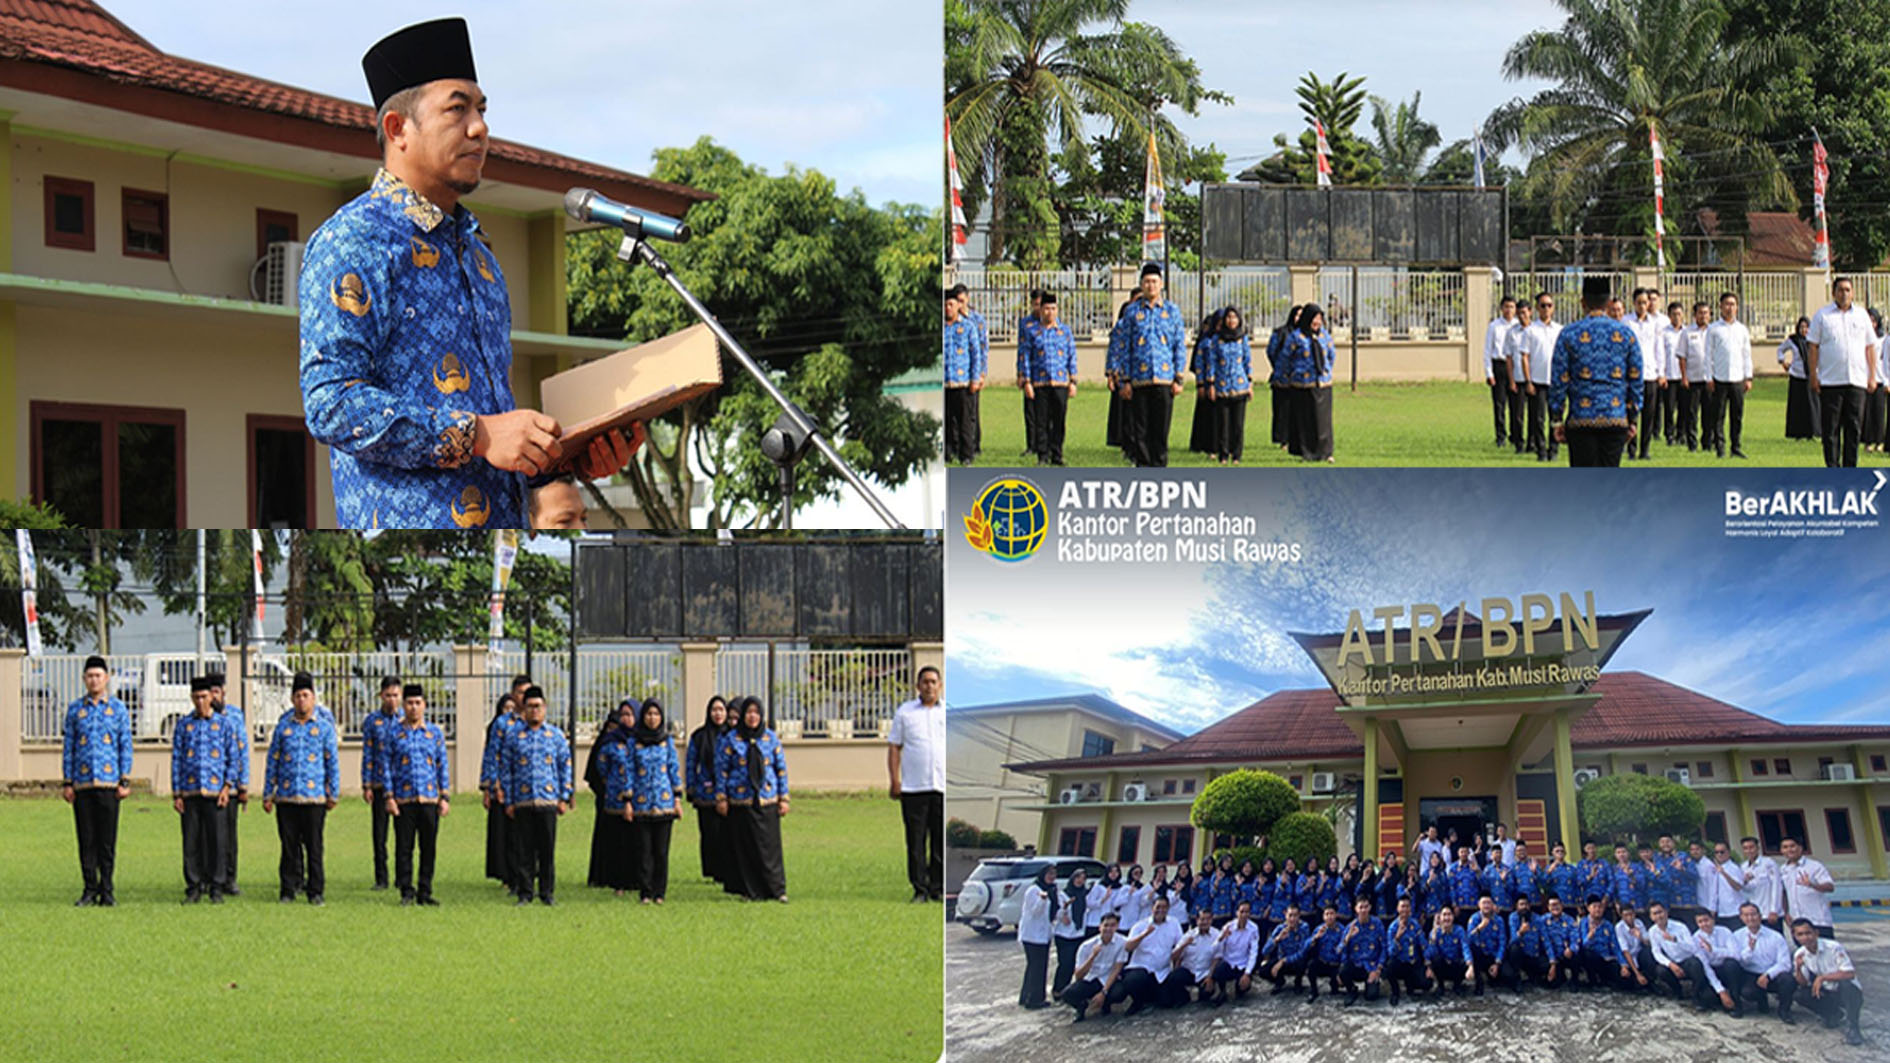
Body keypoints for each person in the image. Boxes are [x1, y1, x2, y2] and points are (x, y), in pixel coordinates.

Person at [299, 17, 634, 528]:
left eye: (482, 110)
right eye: (458, 109)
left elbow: (499, 436)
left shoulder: (480, 256)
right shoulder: (353, 241)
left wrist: (573, 459)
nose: (479, 127)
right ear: (398, 129)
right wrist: (475, 434)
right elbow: (330, 403)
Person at [261, 672, 340, 906]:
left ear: (314, 698)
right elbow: (272, 761)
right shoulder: (283, 728)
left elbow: (331, 762)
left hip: (314, 798)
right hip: (286, 797)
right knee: (288, 847)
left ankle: (315, 891)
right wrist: (268, 793)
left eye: (306, 695)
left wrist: (332, 792)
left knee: (314, 847)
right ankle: (288, 889)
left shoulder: (324, 728)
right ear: (292, 699)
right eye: (297, 696)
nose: (302, 700)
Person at [1548, 277, 1642, 466]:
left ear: (1583, 302)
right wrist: (1633, 417)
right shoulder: (1626, 335)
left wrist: (1557, 418)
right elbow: (1636, 377)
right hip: (1614, 418)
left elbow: (1559, 379)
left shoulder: (1569, 334)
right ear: (1609, 303)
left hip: (1581, 419)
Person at [62, 655, 131, 907]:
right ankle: (89, 888)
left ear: (107, 678)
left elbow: (125, 745)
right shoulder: (75, 710)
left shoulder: (118, 709)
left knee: (107, 840)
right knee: (86, 838)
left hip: (109, 783)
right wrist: (67, 782)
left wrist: (125, 779)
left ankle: (108, 889)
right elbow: (68, 747)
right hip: (82, 784)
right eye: (89, 676)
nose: (94, 680)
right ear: (84, 679)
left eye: (98, 676)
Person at [1106, 264, 1187, 467]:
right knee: (1140, 428)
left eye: (1154, 282)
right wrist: (1124, 380)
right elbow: (1124, 347)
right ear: (1141, 285)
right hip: (1138, 380)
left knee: (1160, 429)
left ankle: (1159, 467)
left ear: (1161, 284)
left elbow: (1179, 345)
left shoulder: (1172, 311)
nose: (1151, 286)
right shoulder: (1132, 312)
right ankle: (1143, 467)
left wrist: (1179, 377)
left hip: (1164, 378)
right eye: (1147, 282)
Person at [379, 682, 450, 906]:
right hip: (404, 799)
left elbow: (442, 765)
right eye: (409, 703)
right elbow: (386, 767)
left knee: (428, 847)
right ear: (404, 704)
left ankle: (425, 891)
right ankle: (406, 890)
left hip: (428, 797)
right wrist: (389, 796)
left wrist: (444, 796)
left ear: (424, 705)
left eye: (418, 703)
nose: (413, 708)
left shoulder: (434, 734)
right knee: (404, 847)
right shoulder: (393, 734)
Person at [502, 685, 572, 905]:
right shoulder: (514, 737)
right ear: (524, 708)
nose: (534, 711)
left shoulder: (556, 736)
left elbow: (565, 766)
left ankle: (547, 892)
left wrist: (564, 796)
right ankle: (525, 892)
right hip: (523, 801)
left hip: (548, 800)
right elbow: (507, 770)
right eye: (530, 707)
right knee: (524, 850)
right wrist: (509, 800)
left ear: (545, 708)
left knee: (547, 850)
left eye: (538, 706)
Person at [173, 677, 241, 903]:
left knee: (217, 841)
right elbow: (177, 760)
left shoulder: (224, 725)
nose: (201, 701)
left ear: (212, 697)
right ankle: (193, 886)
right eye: (197, 697)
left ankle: (217, 887)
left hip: (216, 793)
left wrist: (227, 786)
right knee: (191, 842)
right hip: (191, 792)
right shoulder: (184, 726)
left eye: (204, 697)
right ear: (192, 698)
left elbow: (234, 758)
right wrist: (177, 793)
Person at [716, 695, 789, 903]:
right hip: (741, 800)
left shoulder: (770, 738)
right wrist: (722, 798)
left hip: (767, 799)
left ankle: (776, 890)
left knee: (770, 848)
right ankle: (750, 890)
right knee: (745, 847)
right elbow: (722, 770)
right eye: (748, 712)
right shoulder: (732, 739)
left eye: (756, 712)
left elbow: (780, 769)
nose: (752, 716)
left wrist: (784, 798)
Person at [1807, 276, 1879, 466]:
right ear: (1833, 293)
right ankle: (1832, 469)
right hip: (1831, 382)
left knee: (1853, 428)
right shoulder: (1822, 316)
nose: (1844, 294)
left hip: (1856, 381)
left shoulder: (1862, 315)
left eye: (1848, 290)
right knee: (1830, 429)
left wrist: (1872, 376)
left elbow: (1870, 347)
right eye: (1840, 290)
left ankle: (1850, 470)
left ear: (1853, 293)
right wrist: (1813, 375)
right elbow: (1813, 346)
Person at [888, 665, 944, 903]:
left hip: (941, 787)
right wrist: (894, 780)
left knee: (940, 840)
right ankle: (919, 888)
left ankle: (937, 888)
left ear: (940, 685)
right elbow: (894, 747)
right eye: (925, 682)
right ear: (917, 686)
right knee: (916, 841)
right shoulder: (905, 712)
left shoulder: (947, 713)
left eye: (933, 681)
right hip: (913, 788)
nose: (929, 686)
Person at [622, 698, 683, 904]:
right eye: (648, 714)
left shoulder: (667, 741)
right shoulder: (633, 742)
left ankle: (660, 892)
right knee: (643, 850)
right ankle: (645, 892)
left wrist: (677, 800)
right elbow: (628, 771)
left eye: (656, 714)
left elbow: (674, 770)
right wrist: (628, 801)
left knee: (661, 851)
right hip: (641, 803)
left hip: (664, 802)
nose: (652, 718)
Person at [587, 700, 638, 894]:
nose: (627, 718)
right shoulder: (609, 741)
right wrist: (611, 786)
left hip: (639, 801)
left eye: (631, 714)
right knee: (615, 841)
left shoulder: (642, 740)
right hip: (612, 800)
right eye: (624, 714)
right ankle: (615, 880)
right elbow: (600, 768)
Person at [1020, 293, 1077, 465]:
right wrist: (1026, 381)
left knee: (1059, 420)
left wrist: (1073, 380)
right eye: (1046, 308)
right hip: (1040, 382)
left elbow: (1071, 356)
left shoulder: (1064, 331)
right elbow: (1025, 357)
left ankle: (1057, 454)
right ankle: (1043, 455)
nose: (1049, 312)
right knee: (1041, 421)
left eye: (1053, 309)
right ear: (1040, 309)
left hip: (1060, 381)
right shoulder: (1032, 332)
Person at [1790, 917, 1866, 1045]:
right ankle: (1833, 1014)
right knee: (1800, 995)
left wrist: (1823, 977)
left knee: (1846, 985)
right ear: (1795, 937)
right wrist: (1798, 968)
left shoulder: (1833, 947)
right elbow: (1803, 983)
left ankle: (1853, 1027)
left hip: (1846, 991)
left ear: (1816, 933)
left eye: (1808, 933)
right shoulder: (1799, 954)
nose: (1805, 938)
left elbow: (1850, 973)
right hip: (1827, 990)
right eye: (1800, 934)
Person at [207, 675, 250, 896]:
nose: (213, 696)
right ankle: (210, 877)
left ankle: (229, 879)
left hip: (230, 787)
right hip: (207, 787)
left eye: (217, 691)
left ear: (223, 692)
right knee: (209, 836)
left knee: (229, 836)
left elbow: (242, 750)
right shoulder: (199, 718)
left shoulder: (234, 716)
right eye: (210, 692)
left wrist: (243, 785)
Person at [360, 675, 402, 891]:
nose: (392, 700)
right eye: (388, 695)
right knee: (379, 833)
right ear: (380, 696)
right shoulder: (372, 721)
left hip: (403, 786)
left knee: (403, 834)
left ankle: (402, 876)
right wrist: (366, 785)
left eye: (395, 695)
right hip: (378, 785)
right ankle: (381, 877)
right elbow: (368, 753)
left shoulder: (406, 720)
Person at [686, 695, 733, 884]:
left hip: (729, 792)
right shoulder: (699, 736)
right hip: (705, 792)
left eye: (721, 710)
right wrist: (691, 787)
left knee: (727, 833)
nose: (718, 714)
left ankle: (727, 869)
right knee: (709, 833)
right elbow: (691, 762)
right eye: (714, 710)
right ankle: (712, 870)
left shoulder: (732, 735)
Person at [1703, 291, 1753, 458]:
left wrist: (1748, 377)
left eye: (1732, 304)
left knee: (1737, 415)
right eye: (1726, 304)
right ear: (1720, 307)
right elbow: (1708, 354)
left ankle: (1736, 446)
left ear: (1737, 307)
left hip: (1738, 378)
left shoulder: (1742, 330)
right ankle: (1720, 447)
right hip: (1720, 378)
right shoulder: (1714, 329)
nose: (1729, 308)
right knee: (1718, 415)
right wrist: (1708, 377)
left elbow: (1747, 354)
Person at [479, 688, 522, 885]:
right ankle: (508, 876)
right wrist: (491, 787)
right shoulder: (501, 725)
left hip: (528, 789)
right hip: (503, 788)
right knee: (505, 834)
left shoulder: (538, 726)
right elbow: (491, 756)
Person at [1201, 306, 1253, 465]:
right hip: (1222, 385)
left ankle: (1236, 454)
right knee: (1222, 423)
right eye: (1229, 317)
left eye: (1234, 317)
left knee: (1238, 424)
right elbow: (1211, 363)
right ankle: (1223, 454)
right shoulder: (1216, 340)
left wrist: (1250, 383)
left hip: (1240, 385)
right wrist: (1210, 383)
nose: (1232, 321)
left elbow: (1247, 361)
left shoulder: (1242, 339)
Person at [1117, 893, 1184, 1015]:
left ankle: (1151, 997)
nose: (1160, 910)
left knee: (1167, 1002)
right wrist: (1144, 934)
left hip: (1161, 971)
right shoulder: (1140, 925)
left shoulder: (1174, 923)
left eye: (1164, 907)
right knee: (1134, 980)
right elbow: (1128, 947)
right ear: (1152, 908)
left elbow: (1179, 945)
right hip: (1141, 968)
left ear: (1168, 909)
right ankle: (1138, 1001)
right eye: (1158, 907)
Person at [1518, 292, 1563, 461]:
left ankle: (1554, 449)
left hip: (1556, 381)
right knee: (1538, 419)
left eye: (1549, 305)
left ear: (1553, 308)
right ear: (1537, 308)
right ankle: (1541, 450)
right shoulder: (1530, 331)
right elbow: (1524, 357)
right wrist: (1528, 381)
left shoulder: (1560, 330)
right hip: (1537, 381)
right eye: (1543, 305)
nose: (1546, 309)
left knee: (1556, 418)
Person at [1732, 901, 1795, 1021]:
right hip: (1751, 973)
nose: (1750, 918)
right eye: (1746, 915)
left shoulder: (1775, 936)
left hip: (1772, 973)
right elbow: (1740, 961)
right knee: (1748, 992)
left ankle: (1784, 1010)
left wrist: (1768, 975)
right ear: (1741, 917)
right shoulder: (1736, 936)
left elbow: (1785, 963)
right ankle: (1761, 1000)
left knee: (1788, 980)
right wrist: (1749, 950)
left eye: (1753, 914)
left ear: (1760, 916)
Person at [942, 284, 984, 465]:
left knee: (965, 420)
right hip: (945, 381)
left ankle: (966, 455)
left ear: (958, 305)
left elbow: (976, 353)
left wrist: (976, 378)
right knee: (947, 421)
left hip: (963, 381)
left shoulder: (968, 327)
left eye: (951, 304)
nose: (947, 308)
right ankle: (947, 452)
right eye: (945, 305)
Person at [1062, 912, 1128, 1023]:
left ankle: (1105, 1003)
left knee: (1119, 993)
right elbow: (1078, 975)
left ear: (1117, 927)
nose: (1108, 929)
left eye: (1112, 925)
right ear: (1100, 927)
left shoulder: (1122, 942)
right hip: (1091, 978)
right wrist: (1093, 956)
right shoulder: (1086, 946)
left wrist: (1103, 992)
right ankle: (1081, 1006)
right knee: (1068, 994)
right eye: (1106, 925)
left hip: (1107, 980)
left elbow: (1117, 969)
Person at [1646, 901, 1707, 1001]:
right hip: (1673, 962)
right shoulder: (1652, 931)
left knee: (1696, 964)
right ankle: (1678, 991)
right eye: (1655, 914)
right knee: (1660, 970)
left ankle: (1696, 994)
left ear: (1666, 912)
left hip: (1687, 960)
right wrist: (1670, 964)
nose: (1658, 916)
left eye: (1660, 912)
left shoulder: (1680, 927)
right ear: (1651, 917)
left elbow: (1692, 948)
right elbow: (1656, 952)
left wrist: (1675, 940)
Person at [1630, 287, 1666, 459]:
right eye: (1640, 303)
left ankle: (1644, 450)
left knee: (1649, 414)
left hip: (1650, 374)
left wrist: (1661, 372)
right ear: (1634, 303)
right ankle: (1631, 448)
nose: (1643, 306)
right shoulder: (1626, 322)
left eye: (1646, 302)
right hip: (1631, 376)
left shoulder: (1654, 324)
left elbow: (1659, 349)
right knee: (1632, 414)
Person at [1017, 863, 1058, 1009]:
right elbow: (1034, 912)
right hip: (1032, 935)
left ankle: (1028, 996)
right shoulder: (1033, 890)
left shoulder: (1051, 890)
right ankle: (1033, 1000)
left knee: (1037, 967)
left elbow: (1052, 912)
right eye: (1049, 874)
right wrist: (1042, 899)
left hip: (1043, 934)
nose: (1052, 877)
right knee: (1036, 968)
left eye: (1054, 874)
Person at [1777, 837, 1836, 939]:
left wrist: (1812, 885)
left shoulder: (1814, 866)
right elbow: (1784, 893)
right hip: (1797, 922)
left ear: (1800, 848)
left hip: (1818, 921)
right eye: (1785, 847)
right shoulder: (1783, 870)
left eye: (1792, 846)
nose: (1789, 850)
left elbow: (1830, 887)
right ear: (1781, 851)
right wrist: (1786, 913)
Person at [1693, 909, 1745, 1015]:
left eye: (1706, 920)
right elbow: (1706, 967)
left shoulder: (1725, 931)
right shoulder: (1696, 938)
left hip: (1728, 970)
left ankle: (1736, 1002)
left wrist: (1714, 950)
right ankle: (1724, 998)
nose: (1704, 924)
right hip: (1712, 972)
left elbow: (1736, 955)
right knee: (1708, 997)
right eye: (1700, 922)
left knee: (1731, 964)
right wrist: (1720, 991)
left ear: (1713, 919)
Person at [1168, 908, 1223, 1005]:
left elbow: (1217, 958)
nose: (1204, 922)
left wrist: (1210, 977)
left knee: (1206, 996)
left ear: (1211, 920)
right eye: (1202, 919)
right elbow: (1173, 956)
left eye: (1207, 919)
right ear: (1197, 920)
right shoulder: (1189, 935)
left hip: (1205, 973)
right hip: (1189, 970)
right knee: (1174, 978)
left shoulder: (1217, 935)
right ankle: (1185, 996)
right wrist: (1184, 945)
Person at [1576, 896, 1631, 990]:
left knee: (1625, 981)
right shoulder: (1584, 922)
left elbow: (1615, 946)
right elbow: (1582, 945)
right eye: (1594, 907)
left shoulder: (1608, 925)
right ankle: (1592, 981)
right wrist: (1589, 937)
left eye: (1600, 907)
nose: (1598, 909)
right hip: (1591, 957)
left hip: (1607, 958)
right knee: (1587, 954)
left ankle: (1606, 980)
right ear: (1588, 908)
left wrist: (1623, 965)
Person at [1212, 901, 1262, 1003]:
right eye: (1242, 912)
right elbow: (1214, 948)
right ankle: (1222, 991)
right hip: (1228, 962)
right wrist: (1221, 938)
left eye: (1247, 912)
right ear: (1236, 913)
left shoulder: (1253, 928)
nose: (1244, 915)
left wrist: (1247, 973)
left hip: (1242, 964)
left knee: (1242, 989)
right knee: (1219, 970)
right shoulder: (1228, 927)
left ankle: (1240, 989)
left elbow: (1253, 952)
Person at [1015, 289, 1045, 459]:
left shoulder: (1051, 322)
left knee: (1045, 412)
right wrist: (1020, 373)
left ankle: (1045, 445)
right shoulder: (1025, 323)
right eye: (1035, 304)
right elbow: (1021, 350)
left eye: (1040, 304)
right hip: (1030, 372)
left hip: (1046, 374)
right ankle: (1031, 445)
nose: (1038, 308)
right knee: (1030, 411)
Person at [1778, 316, 1818, 440]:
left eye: (1806, 327)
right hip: (1796, 375)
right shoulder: (1793, 340)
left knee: (1811, 406)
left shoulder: (1813, 341)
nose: (1804, 330)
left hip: (1810, 375)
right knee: (1797, 406)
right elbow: (1780, 349)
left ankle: (1812, 432)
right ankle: (1797, 433)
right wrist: (1783, 362)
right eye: (1801, 327)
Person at [1485, 296, 1518, 447]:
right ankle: (1500, 436)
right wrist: (1489, 373)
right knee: (1499, 404)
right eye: (1506, 306)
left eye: (1512, 307)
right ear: (1501, 308)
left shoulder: (1519, 325)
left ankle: (1515, 435)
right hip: (1499, 365)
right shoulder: (1494, 326)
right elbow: (1487, 350)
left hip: (1515, 368)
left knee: (1516, 404)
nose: (1509, 310)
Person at [1051, 867, 1090, 996]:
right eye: (1078, 877)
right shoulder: (1063, 894)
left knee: (1075, 963)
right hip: (1064, 934)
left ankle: (1068, 991)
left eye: (1083, 878)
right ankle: (1058, 990)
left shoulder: (1084, 894)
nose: (1080, 881)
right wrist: (1065, 910)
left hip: (1079, 933)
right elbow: (1056, 913)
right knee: (1065, 964)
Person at [1187, 310, 1221, 457]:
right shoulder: (1206, 341)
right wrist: (1201, 384)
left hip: (1226, 384)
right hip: (1208, 383)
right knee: (1207, 416)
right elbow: (1199, 363)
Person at [1267, 305, 1299, 451]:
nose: (1299, 318)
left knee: (1296, 411)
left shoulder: (1305, 334)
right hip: (1281, 379)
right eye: (1297, 315)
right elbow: (1271, 351)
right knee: (1281, 410)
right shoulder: (1281, 333)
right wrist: (1279, 367)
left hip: (1299, 379)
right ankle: (1282, 439)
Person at [1424, 905, 1473, 996]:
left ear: (1453, 917)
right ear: (1440, 917)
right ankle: (1440, 986)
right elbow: (1429, 953)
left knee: (1464, 962)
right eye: (1444, 915)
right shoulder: (1435, 932)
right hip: (1443, 966)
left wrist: (1470, 965)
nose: (1447, 918)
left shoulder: (1459, 930)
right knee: (1436, 959)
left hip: (1455, 965)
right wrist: (1433, 939)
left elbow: (1465, 947)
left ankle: (1457, 986)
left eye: (1449, 915)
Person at [1738, 835, 1784, 930]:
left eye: (1751, 847)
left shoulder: (1768, 863)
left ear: (1758, 848)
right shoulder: (1743, 867)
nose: (1749, 851)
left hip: (1769, 913)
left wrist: (1774, 910)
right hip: (1753, 915)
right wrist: (1744, 882)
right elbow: (1745, 892)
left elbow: (1777, 887)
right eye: (1745, 848)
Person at [1660, 300, 1687, 444]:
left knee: (1683, 407)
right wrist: (1662, 373)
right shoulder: (1664, 333)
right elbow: (1661, 353)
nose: (1677, 317)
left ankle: (1681, 434)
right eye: (1674, 314)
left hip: (1683, 376)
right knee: (1669, 408)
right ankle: (1669, 434)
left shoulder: (1687, 332)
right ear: (1669, 316)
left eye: (1679, 314)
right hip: (1669, 375)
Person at [1614, 904, 1657, 990]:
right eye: (1626, 915)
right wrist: (1637, 974)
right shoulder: (1619, 927)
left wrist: (1640, 937)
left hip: (1639, 955)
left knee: (1648, 952)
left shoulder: (1639, 923)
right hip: (1628, 958)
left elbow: (1648, 943)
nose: (1629, 917)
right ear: (1622, 916)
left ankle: (1651, 981)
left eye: (1631, 914)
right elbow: (1625, 951)